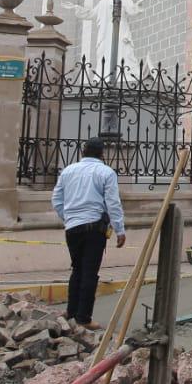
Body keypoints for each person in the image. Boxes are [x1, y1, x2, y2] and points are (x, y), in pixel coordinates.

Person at [50, 138, 125, 329]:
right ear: (102, 154)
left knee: (77, 269)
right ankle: (84, 317)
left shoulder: (68, 171)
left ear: (83, 152)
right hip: (94, 227)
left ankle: (71, 310)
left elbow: (56, 199)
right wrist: (120, 229)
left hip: (73, 228)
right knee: (90, 272)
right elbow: (113, 203)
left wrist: (68, 217)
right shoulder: (106, 172)